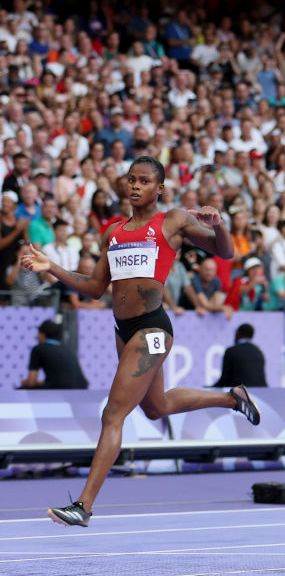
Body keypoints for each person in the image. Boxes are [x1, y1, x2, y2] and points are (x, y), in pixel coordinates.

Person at [20, 156, 261, 528]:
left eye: (144, 181)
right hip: (123, 330)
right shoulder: (113, 231)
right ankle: (233, 396)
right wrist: (51, 267)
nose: (135, 186)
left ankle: (83, 505)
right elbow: (96, 287)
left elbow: (225, 252)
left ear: (159, 188)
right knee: (156, 407)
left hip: (152, 329)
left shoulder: (174, 221)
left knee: (112, 413)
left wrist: (220, 225)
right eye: (131, 180)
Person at [19, 320, 89, 389]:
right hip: (81, 388)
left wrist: (25, 382)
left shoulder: (38, 349)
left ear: (43, 334)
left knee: (22, 390)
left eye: (38, 333)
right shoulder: (67, 348)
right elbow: (64, 380)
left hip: (59, 390)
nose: (37, 336)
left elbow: (31, 382)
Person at [212, 323, 267, 388]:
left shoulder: (231, 351)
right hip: (261, 391)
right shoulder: (258, 351)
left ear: (238, 333)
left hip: (240, 392)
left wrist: (209, 389)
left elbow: (225, 379)